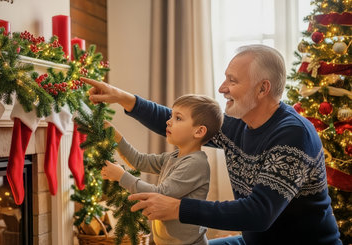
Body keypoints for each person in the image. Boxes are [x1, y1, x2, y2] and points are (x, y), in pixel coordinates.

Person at [81, 44, 342, 245]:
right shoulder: (240, 123)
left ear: (263, 89)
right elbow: (182, 124)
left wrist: (177, 208)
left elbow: (259, 213)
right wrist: (123, 98)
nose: (221, 88)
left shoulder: (293, 135)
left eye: (232, 80)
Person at [101, 94, 223, 245]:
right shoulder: (173, 157)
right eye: (171, 116)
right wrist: (117, 138)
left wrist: (121, 176)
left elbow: (159, 195)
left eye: (178, 118)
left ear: (198, 131)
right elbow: (140, 161)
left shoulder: (195, 164)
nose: (168, 121)